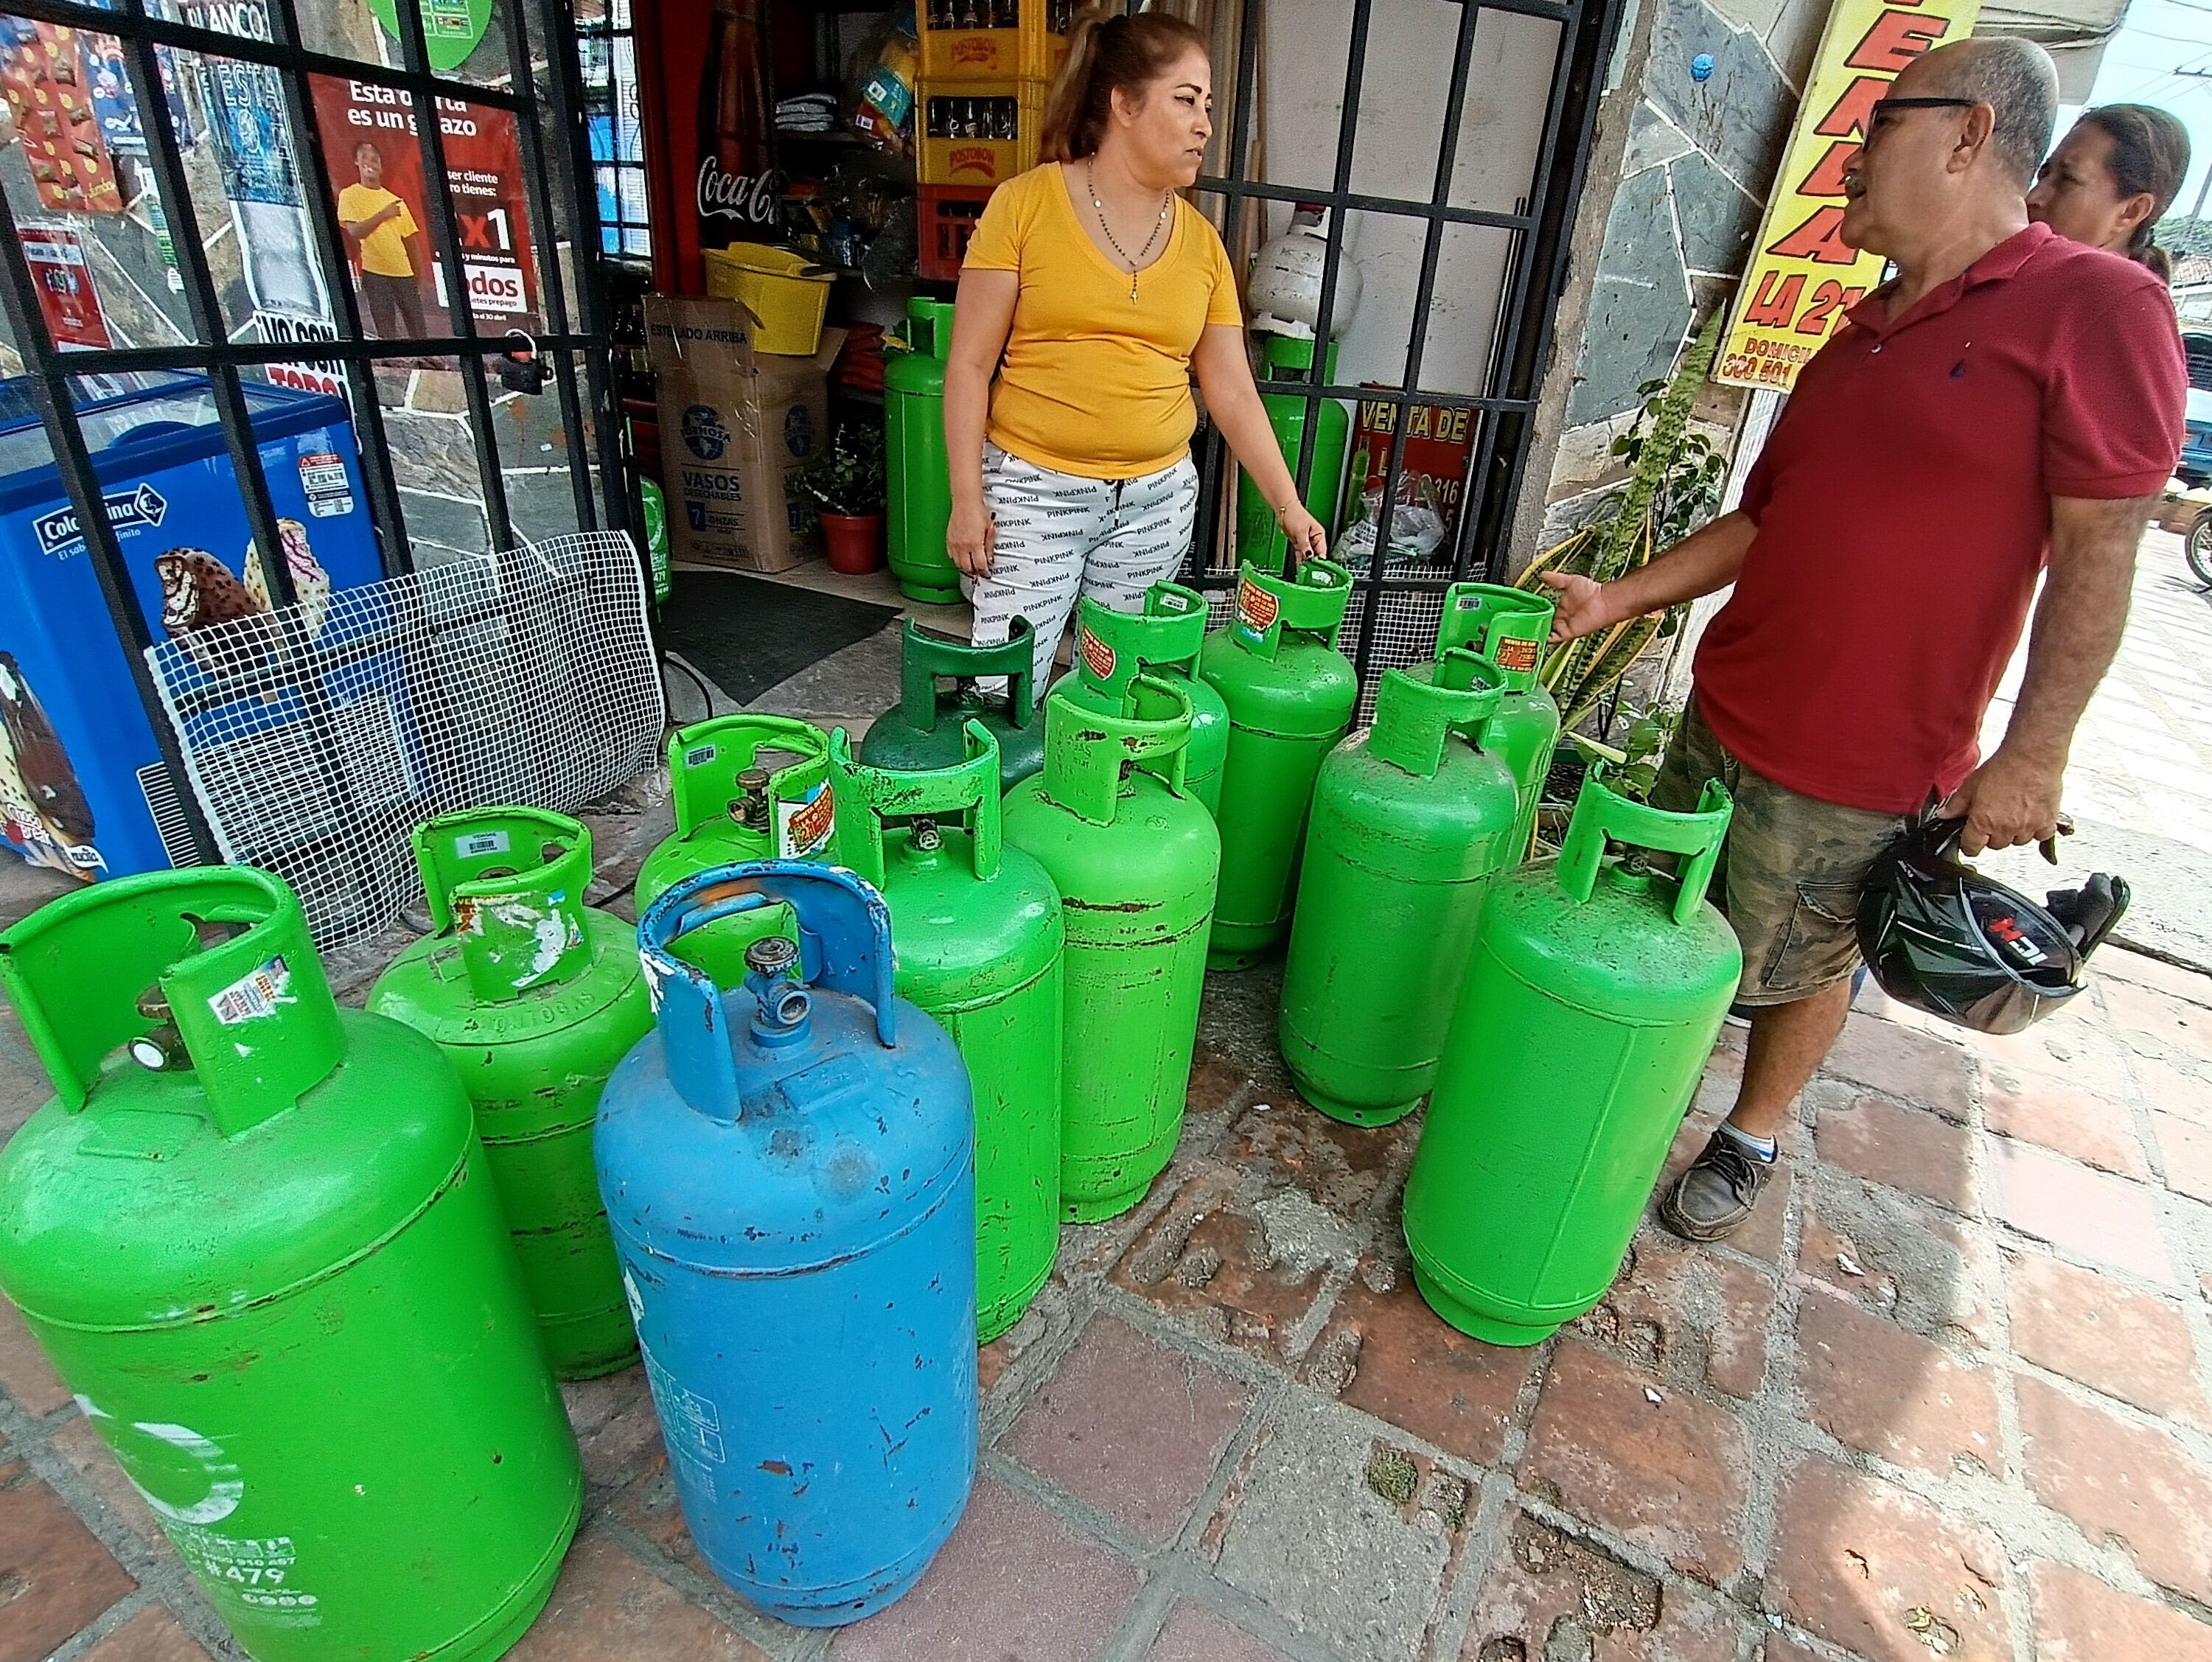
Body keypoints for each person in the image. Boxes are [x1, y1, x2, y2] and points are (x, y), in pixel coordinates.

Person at [1541, 38, 2186, 1243]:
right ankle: (1641, 1083)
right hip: (1725, 714)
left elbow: (2102, 550)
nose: (1848, 151)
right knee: (1679, 919)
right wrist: (1617, 600)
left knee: (1802, 964)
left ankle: (1751, 1133)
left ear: (1965, 136)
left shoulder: (2098, 305)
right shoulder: (1856, 332)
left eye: (1877, 122)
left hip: (1867, 758)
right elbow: (1766, 518)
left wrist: (2035, 754)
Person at [945, 8, 1327, 692]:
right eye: (1185, 100)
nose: (1204, 123)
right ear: (1123, 103)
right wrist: (966, 499)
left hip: (1155, 501)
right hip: (1035, 492)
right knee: (1002, 693)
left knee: (1115, 693)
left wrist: (1287, 503)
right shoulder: (1024, 206)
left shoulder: (1203, 244)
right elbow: (969, 364)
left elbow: (1233, 392)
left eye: (1206, 105)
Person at [2028, 104, 2191, 280]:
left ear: (2131, 211)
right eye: (2044, 173)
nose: (2032, 198)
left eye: (2068, 179)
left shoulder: (2120, 305)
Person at [337, 140, 426, 340]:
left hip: (404, 274)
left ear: (381, 166)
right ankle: (393, 368)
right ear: (356, 162)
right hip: (375, 274)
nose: (370, 163)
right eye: (365, 158)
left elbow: (412, 244)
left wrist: (417, 281)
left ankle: (425, 364)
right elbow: (355, 231)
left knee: (419, 332)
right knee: (386, 330)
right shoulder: (349, 195)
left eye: (375, 159)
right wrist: (384, 214)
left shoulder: (396, 201)